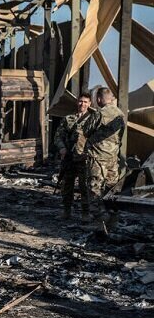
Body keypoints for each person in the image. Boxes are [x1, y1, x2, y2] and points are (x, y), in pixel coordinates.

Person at [77, 87, 125, 229]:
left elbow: (86, 131)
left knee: (94, 188)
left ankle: (99, 221)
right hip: (113, 158)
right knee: (112, 189)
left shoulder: (99, 114)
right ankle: (113, 219)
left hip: (98, 157)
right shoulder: (120, 114)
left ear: (98, 99)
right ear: (111, 98)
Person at [53, 92, 93, 223]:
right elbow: (58, 136)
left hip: (83, 158)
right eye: (81, 101)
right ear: (77, 102)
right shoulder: (68, 119)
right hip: (69, 157)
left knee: (84, 186)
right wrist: (62, 148)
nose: (83, 104)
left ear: (90, 104)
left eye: (86, 102)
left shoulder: (93, 119)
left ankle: (85, 213)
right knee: (66, 185)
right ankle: (66, 211)